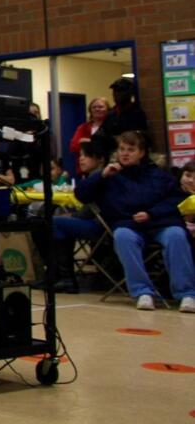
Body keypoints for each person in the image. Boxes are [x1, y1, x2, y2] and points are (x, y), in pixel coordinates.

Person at [74, 131, 194, 312]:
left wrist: (151, 213)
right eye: (122, 149)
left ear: (142, 153)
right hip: (127, 224)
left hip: (159, 223)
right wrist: (101, 175)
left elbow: (176, 199)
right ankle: (142, 292)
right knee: (122, 237)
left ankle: (187, 293)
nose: (125, 153)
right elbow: (81, 195)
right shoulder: (109, 174)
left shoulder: (159, 174)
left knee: (177, 235)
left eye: (131, 149)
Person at [44, 134, 112, 293]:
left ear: (100, 159)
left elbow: (88, 212)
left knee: (53, 222)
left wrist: (70, 217)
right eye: (80, 155)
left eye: (86, 156)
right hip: (99, 222)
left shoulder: (99, 176)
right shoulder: (94, 175)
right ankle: (56, 275)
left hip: (100, 225)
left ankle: (65, 277)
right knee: (54, 219)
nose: (81, 159)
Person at [102, 77, 150, 150]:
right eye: (115, 91)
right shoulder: (111, 114)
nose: (116, 94)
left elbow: (142, 137)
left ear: (130, 93)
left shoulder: (137, 113)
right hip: (112, 154)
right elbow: (101, 134)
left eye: (121, 91)